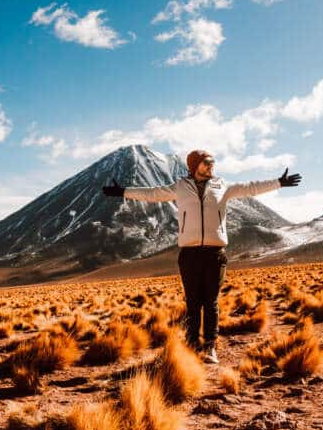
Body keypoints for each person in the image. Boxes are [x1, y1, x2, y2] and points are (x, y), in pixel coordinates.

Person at [101, 149, 301, 363]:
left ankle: (210, 347)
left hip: (215, 254)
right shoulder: (180, 187)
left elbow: (251, 188)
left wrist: (279, 182)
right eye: (206, 162)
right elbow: (152, 194)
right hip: (189, 254)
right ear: (194, 165)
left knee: (211, 302)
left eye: (212, 162)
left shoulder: (221, 186)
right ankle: (192, 344)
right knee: (193, 303)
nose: (211, 165)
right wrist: (122, 192)